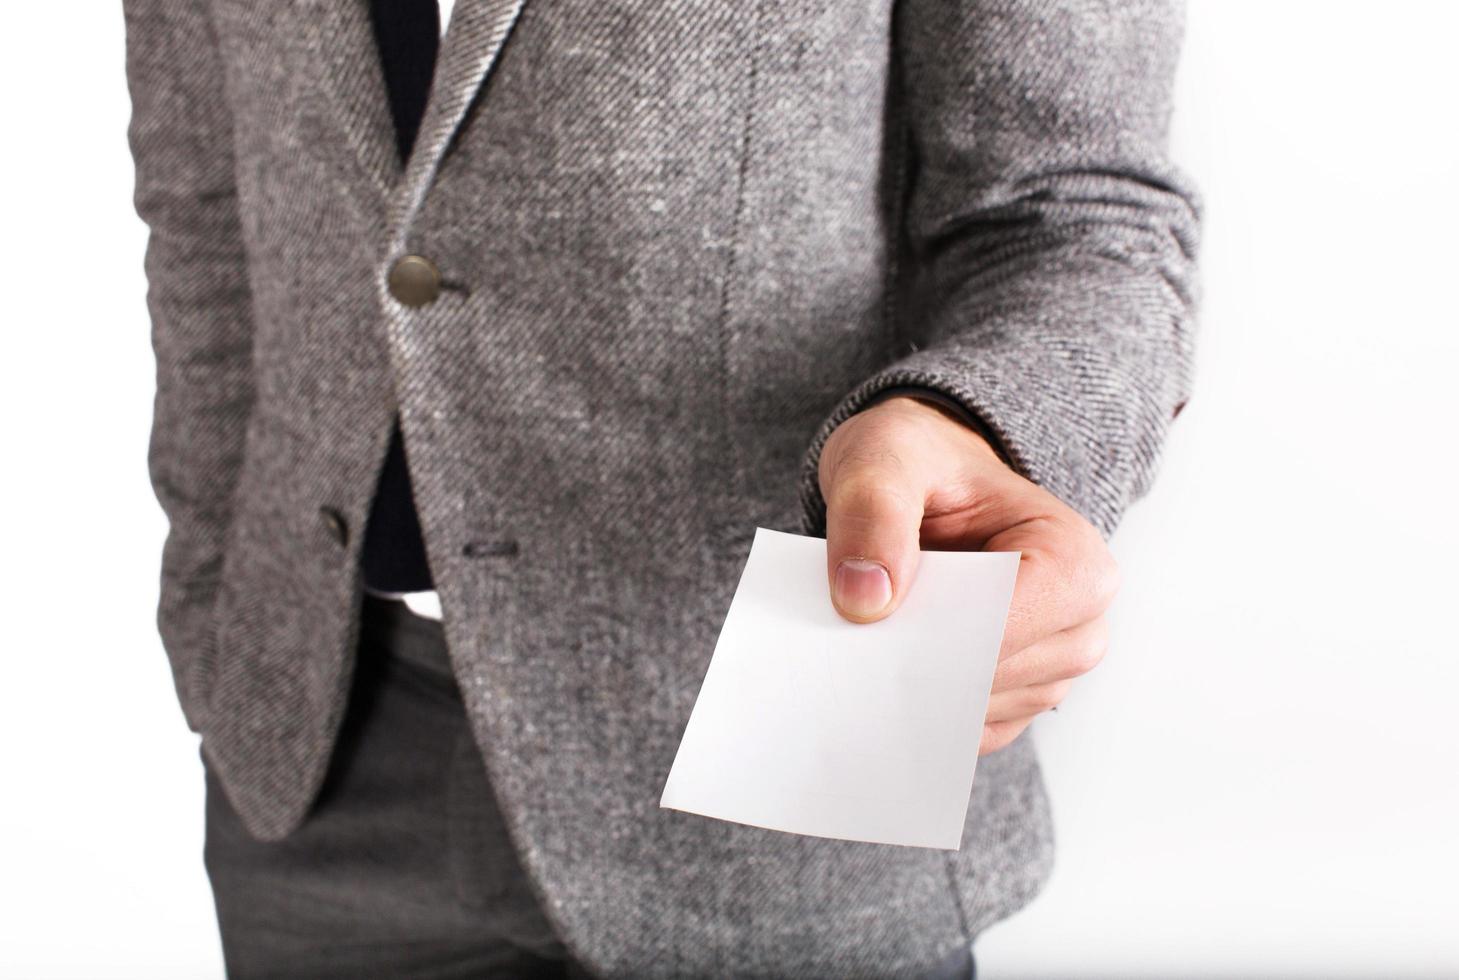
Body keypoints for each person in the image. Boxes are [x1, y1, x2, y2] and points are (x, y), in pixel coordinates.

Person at [120, 0, 1201, 975]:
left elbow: (1075, 210)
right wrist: (210, 594)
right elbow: (204, 207)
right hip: (320, 759)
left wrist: (971, 424)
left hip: (790, 742)